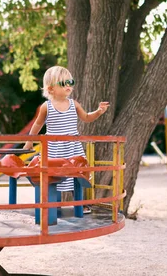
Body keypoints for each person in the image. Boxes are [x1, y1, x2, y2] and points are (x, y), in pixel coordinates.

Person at [23, 66, 109, 206]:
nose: (68, 86)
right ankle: (53, 204)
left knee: (77, 173)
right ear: (51, 89)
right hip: (54, 147)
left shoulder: (73, 104)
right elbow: (37, 125)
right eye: (64, 83)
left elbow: (86, 117)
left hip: (72, 147)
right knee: (52, 174)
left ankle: (80, 203)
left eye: (70, 82)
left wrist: (99, 112)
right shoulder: (47, 106)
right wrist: (29, 142)